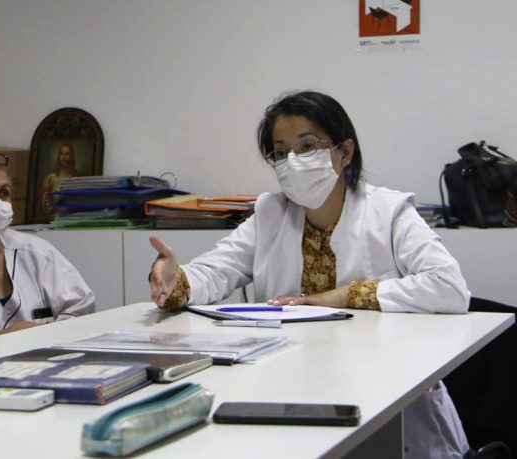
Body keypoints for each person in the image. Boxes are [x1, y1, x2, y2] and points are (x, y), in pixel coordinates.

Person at [148, 91, 471, 458]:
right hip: (291, 388)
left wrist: (344, 295)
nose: (293, 161)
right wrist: (176, 281)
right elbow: (216, 270)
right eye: (280, 152)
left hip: (390, 400)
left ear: (345, 153)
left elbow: (448, 286)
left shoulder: (389, 211)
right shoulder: (270, 213)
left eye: (307, 147)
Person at [0, 152, 96, 343]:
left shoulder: (35, 252)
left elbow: (81, 309)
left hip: (41, 357)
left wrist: (45, 334)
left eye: (4, 193)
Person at [40, 143, 81, 213]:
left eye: (67, 154)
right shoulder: (51, 177)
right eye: (61, 154)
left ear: (72, 156)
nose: (64, 158)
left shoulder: (77, 177)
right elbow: (44, 203)